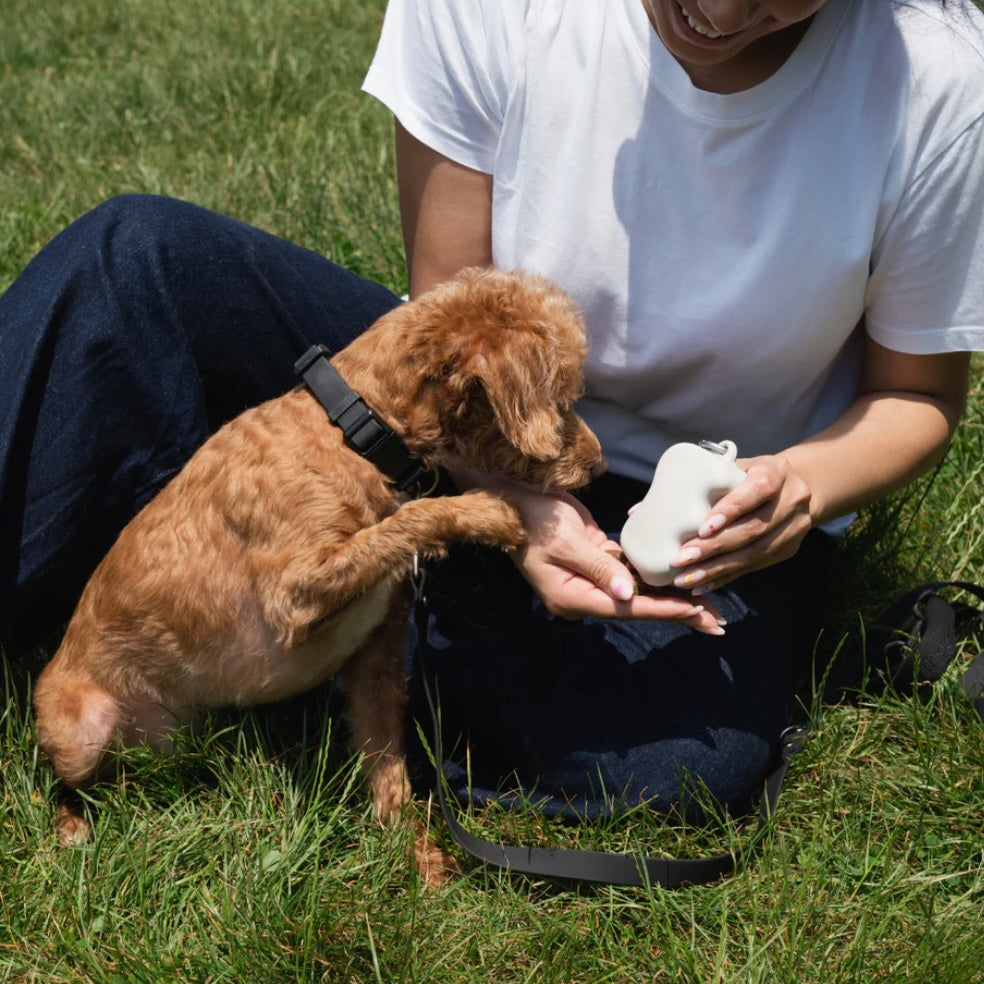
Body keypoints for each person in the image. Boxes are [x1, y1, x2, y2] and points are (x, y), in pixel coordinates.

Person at [1, 0, 982, 820]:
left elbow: (918, 395)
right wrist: (522, 506)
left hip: (717, 505)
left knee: (678, 774)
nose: (721, 13)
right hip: (472, 420)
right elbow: (444, 302)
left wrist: (797, 490)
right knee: (134, 263)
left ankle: (282, 630)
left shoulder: (937, 87)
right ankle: (255, 618)